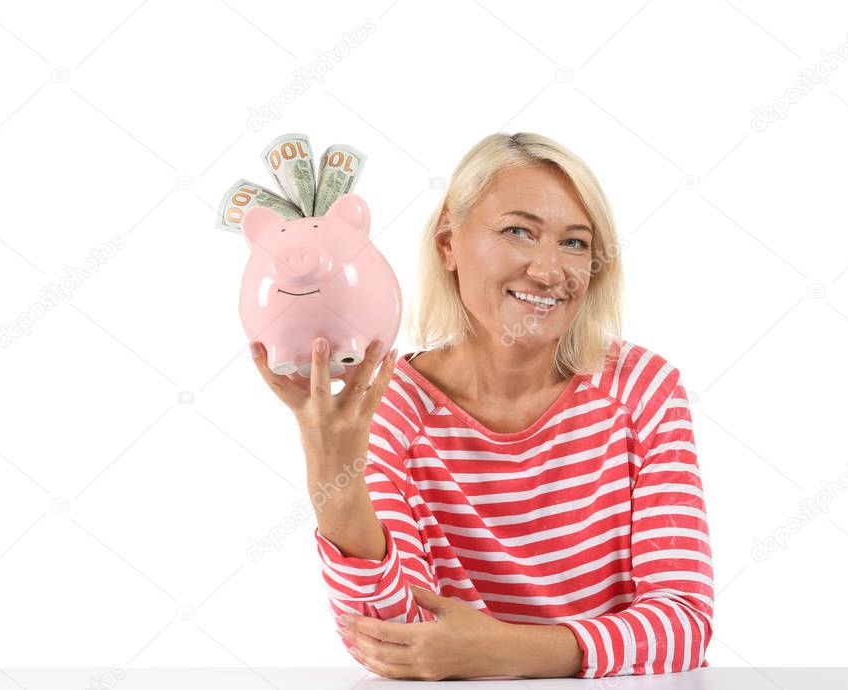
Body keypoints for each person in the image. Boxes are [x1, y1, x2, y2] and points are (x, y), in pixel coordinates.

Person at [248, 132, 714, 680]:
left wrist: (506, 652)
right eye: (519, 231)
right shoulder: (388, 405)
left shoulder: (644, 392)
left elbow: (683, 624)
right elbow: (392, 643)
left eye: (575, 243)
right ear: (449, 242)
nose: (548, 271)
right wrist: (335, 487)